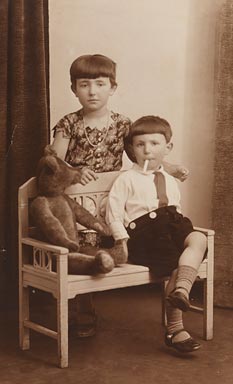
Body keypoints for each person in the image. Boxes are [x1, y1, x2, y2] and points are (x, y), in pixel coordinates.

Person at [51, 54, 189, 337]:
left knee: (114, 244)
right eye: (84, 84)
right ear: (74, 89)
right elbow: (53, 163)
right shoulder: (68, 123)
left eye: (100, 84)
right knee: (85, 250)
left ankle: (173, 303)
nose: (92, 91)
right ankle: (84, 312)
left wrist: (171, 167)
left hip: (113, 198)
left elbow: (142, 158)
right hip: (80, 201)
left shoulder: (122, 124)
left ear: (112, 88)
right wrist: (74, 172)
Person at [105, 115, 207, 353]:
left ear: (168, 148)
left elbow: (176, 209)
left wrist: (179, 228)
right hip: (145, 233)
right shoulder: (126, 179)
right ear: (132, 149)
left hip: (171, 224)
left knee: (199, 238)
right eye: (140, 145)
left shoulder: (169, 179)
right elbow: (114, 214)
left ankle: (181, 289)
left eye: (154, 144)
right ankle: (175, 329)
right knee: (174, 264)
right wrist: (121, 241)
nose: (147, 150)